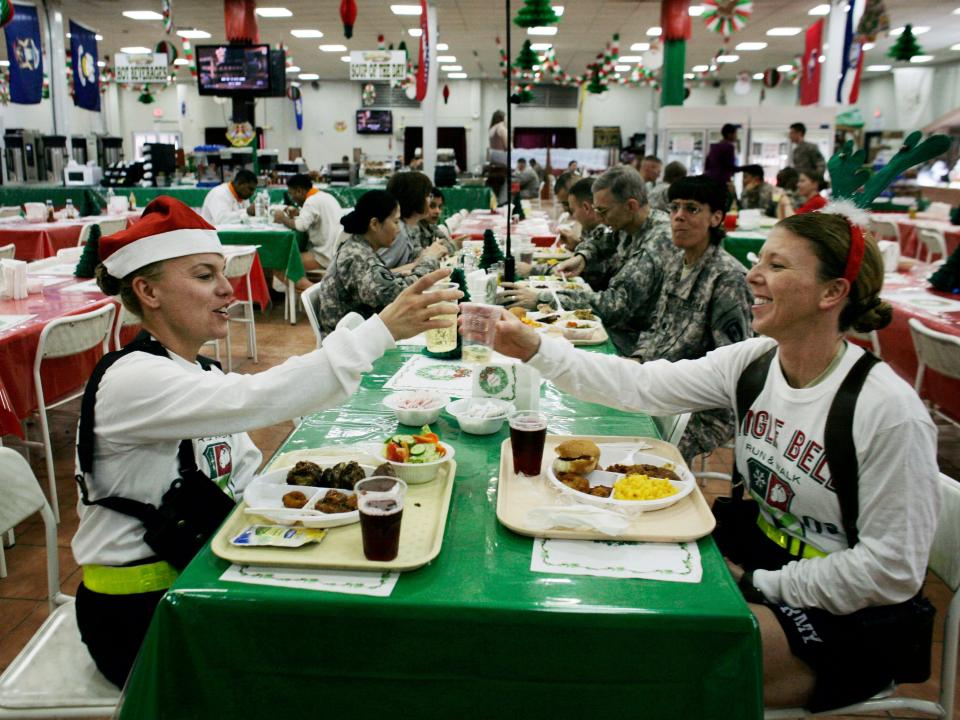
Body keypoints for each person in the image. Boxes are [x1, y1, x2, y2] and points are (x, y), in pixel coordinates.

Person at [483, 209, 939, 713]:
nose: (752, 275)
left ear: (833, 293)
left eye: (778, 266)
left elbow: (892, 570)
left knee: (656, 659)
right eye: (759, 259)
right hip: (760, 556)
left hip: (849, 615)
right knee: (604, 605)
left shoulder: (889, 412)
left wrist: (759, 583)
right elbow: (642, 385)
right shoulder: (755, 361)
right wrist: (535, 347)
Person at [73, 196, 460, 688]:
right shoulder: (133, 380)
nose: (226, 290)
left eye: (222, 273)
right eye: (203, 276)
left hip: (203, 572)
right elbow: (260, 396)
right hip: (142, 613)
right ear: (148, 291)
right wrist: (379, 331)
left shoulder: (198, 372)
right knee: (333, 661)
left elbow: (244, 476)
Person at [319, 189, 448, 334]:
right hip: (351, 346)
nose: (398, 230)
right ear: (374, 224)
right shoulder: (358, 257)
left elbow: (386, 284)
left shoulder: (360, 248)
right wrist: (429, 259)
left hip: (360, 335)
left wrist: (407, 272)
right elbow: (397, 295)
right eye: (395, 222)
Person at [552, 165, 672, 283]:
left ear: (631, 206)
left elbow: (619, 298)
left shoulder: (659, 238)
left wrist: (541, 297)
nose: (598, 217)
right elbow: (601, 243)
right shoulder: (627, 224)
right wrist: (582, 257)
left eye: (603, 211)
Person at [272, 174, 344, 289]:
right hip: (335, 252)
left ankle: (312, 292)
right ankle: (306, 290)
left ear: (299, 191)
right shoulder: (325, 196)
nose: (291, 198)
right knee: (290, 263)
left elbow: (300, 226)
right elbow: (313, 218)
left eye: (291, 193)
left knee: (279, 263)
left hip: (323, 256)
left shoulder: (311, 201)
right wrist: (299, 213)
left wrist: (282, 218)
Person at [379, 171, 449, 271]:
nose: (429, 200)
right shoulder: (398, 231)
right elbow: (377, 276)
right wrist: (422, 261)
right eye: (428, 196)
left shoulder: (408, 227)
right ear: (416, 198)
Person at [704, 123, 739, 188]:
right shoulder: (729, 147)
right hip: (721, 181)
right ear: (729, 134)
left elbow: (707, 163)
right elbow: (730, 166)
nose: (736, 136)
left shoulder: (715, 146)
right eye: (735, 134)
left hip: (710, 180)